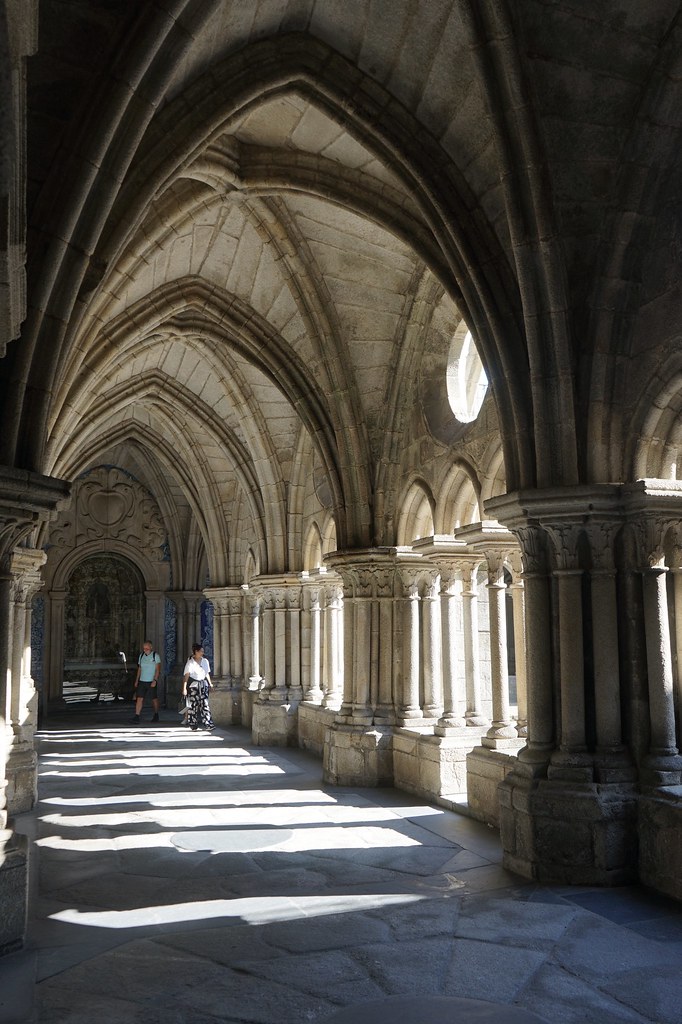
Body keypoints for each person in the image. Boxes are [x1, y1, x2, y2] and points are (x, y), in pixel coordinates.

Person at [182, 644, 214, 731]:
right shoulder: (190, 662)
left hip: (203, 684)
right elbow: (186, 676)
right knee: (193, 705)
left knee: (205, 704)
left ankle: (208, 724)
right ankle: (193, 724)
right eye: (201, 651)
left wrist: (210, 683)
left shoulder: (205, 661)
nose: (202, 653)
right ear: (196, 652)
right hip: (194, 685)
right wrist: (184, 688)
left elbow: (206, 673)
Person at [131, 640, 161, 723]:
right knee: (139, 698)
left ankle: (156, 714)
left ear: (151, 648)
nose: (145, 650)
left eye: (147, 648)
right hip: (142, 681)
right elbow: (139, 669)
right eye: (144, 648)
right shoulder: (141, 656)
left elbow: (158, 670)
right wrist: (137, 680)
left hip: (151, 681)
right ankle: (137, 716)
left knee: (154, 699)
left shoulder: (155, 656)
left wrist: (155, 680)